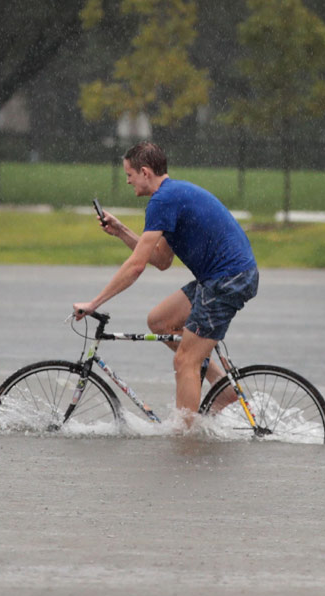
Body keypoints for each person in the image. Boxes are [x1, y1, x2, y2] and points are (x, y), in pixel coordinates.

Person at [73, 141, 258, 426]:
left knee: (185, 360)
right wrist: (121, 231)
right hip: (220, 277)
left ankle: (185, 440)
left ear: (145, 172)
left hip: (228, 280)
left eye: (129, 174)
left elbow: (136, 266)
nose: (127, 180)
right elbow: (161, 259)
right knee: (159, 321)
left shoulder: (163, 200)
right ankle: (221, 388)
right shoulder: (169, 197)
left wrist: (94, 303)